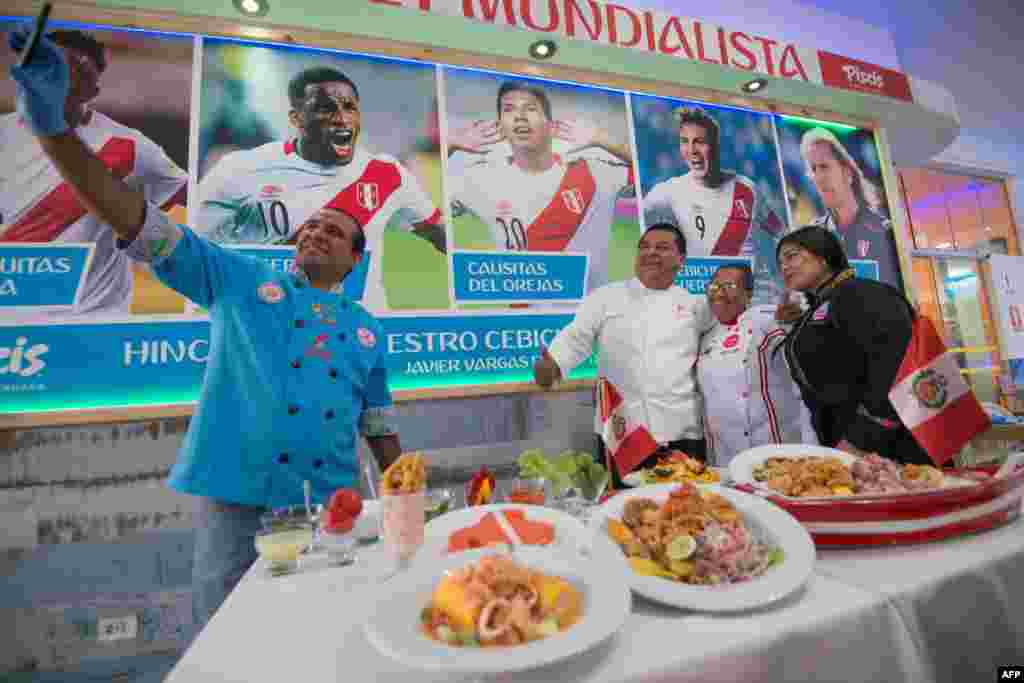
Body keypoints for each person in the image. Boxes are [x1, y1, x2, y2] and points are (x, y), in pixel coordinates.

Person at [7, 29, 405, 628]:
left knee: (324, 624)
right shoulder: (238, 279)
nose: (317, 231)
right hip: (239, 495)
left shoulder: (369, 329)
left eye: (335, 230)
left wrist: (400, 486)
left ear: (355, 259)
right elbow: (143, 225)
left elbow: (377, 419)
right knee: (223, 625)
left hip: (333, 497)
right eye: (311, 225)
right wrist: (55, 133)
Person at [195, 65, 446, 312]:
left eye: (349, 108)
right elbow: (196, 254)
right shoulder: (240, 169)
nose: (342, 118)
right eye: (325, 109)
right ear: (297, 119)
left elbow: (441, 234)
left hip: (357, 334)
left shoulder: (386, 174)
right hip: (271, 329)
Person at [1, 29, 187, 317]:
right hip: (11, 315)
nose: (57, 76)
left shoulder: (131, 146)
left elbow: (192, 205)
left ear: (92, 89)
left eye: (73, 68)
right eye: (47, 65)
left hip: (94, 319)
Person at [533, 223, 715, 486]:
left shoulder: (696, 305)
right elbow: (575, 339)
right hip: (622, 434)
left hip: (682, 431)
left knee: (685, 511)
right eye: (644, 247)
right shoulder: (606, 297)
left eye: (662, 247)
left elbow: (726, 337)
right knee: (623, 510)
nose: (650, 252)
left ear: (681, 260)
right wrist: (552, 366)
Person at [446, 80, 634, 294]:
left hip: (590, 320)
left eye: (531, 108)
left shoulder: (594, 172)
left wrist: (603, 139)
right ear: (500, 126)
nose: (519, 116)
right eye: (509, 109)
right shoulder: (478, 178)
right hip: (528, 322)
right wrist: (449, 144)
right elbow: (424, 204)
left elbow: (648, 176)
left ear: (551, 126)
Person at [776, 225, 931, 464]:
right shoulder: (823, 304)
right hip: (849, 448)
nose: (784, 266)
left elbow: (894, 368)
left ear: (824, 257)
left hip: (889, 450)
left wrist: (861, 439)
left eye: (792, 256)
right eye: (780, 262)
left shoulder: (864, 294)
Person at [697, 264, 814, 466]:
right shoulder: (705, 335)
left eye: (729, 286)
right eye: (714, 287)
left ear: (748, 294)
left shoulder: (763, 318)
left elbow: (788, 324)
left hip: (772, 448)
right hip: (723, 454)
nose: (719, 293)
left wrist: (794, 311)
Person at [642, 107, 784, 260]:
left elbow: (780, 232)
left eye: (699, 142)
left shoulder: (746, 188)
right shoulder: (668, 191)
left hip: (749, 282)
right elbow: (633, 217)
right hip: (702, 281)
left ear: (715, 145)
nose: (691, 150)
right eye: (684, 141)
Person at [800, 127, 903, 287]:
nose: (818, 177)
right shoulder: (810, 239)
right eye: (813, 169)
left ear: (847, 172)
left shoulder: (883, 231)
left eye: (824, 167)